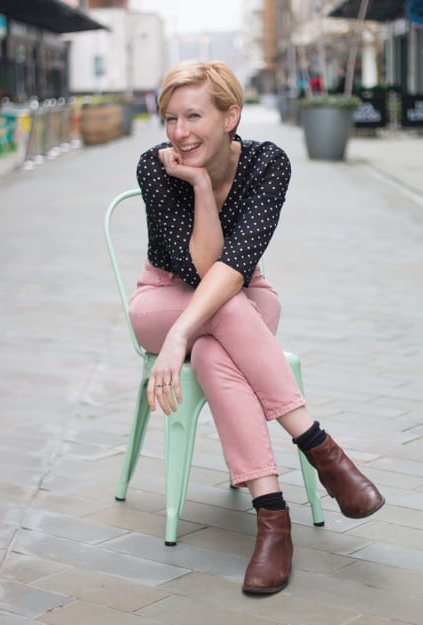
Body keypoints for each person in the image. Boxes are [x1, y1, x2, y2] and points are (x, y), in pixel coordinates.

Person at [129, 60, 384, 595]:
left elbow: (233, 268)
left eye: (194, 115)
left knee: (218, 347)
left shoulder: (269, 164)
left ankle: (273, 521)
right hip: (164, 295)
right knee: (219, 321)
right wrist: (198, 184)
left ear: (230, 116)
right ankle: (320, 451)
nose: (179, 132)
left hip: (241, 293)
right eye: (170, 118)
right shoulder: (155, 168)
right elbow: (198, 272)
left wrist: (183, 338)